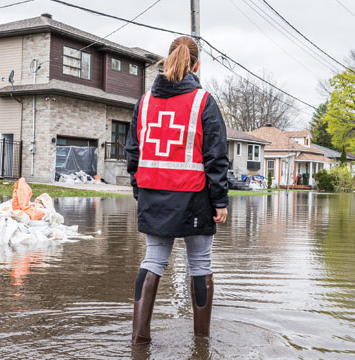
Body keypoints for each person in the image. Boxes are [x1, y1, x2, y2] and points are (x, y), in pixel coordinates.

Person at [125, 36, 229, 345]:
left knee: (153, 260)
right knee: (200, 265)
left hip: (152, 195)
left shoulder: (144, 102)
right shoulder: (203, 101)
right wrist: (220, 200)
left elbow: (132, 153)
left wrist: (139, 192)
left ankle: (139, 339)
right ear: (196, 65)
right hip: (195, 198)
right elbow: (216, 155)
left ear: (167, 60)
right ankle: (201, 343)